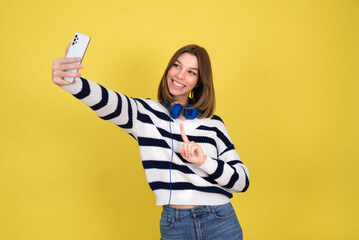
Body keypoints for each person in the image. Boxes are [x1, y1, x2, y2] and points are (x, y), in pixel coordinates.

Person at [52, 43, 250, 240]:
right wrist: (71, 82)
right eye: (177, 66)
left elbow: (242, 181)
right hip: (176, 224)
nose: (180, 75)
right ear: (168, 69)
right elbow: (109, 101)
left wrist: (204, 161)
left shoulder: (214, 124)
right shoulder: (145, 114)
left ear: (199, 81)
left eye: (191, 72)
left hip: (221, 220)